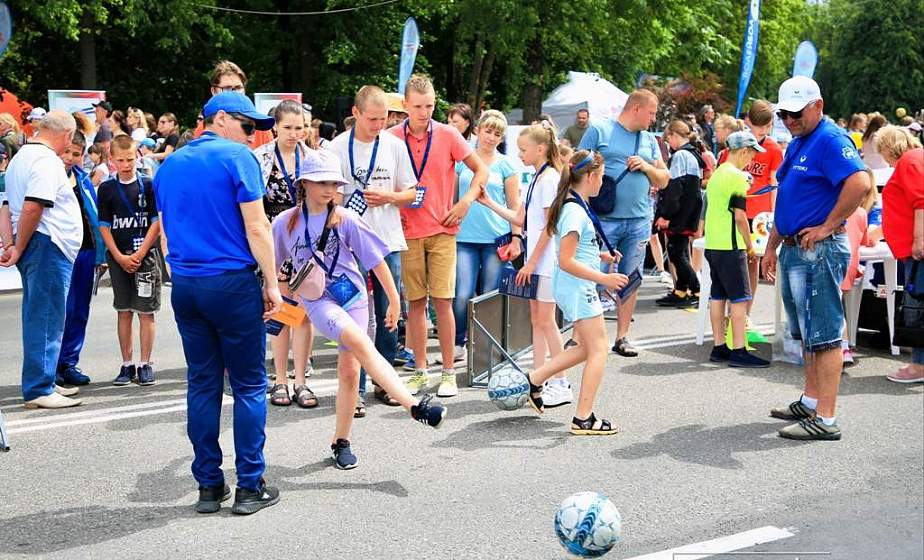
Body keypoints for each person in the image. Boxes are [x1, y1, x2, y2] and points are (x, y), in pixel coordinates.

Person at [272, 151, 448, 469]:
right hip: (318, 301)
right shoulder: (285, 223)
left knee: (351, 373)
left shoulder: (346, 218)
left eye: (334, 183)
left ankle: (341, 441)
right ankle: (413, 406)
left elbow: (375, 261)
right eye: (322, 182)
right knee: (360, 342)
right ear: (305, 184)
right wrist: (280, 305)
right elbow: (275, 270)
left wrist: (395, 300)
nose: (329, 189)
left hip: (355, 297)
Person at [154, 92, 283, 515]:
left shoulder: (168, 164)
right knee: (248, 386)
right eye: (248, 128)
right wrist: (272, 283)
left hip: (188, 283)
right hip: (230, 282)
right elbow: (258, 227)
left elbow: (168, 229)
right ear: (221, 118)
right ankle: (250, 486)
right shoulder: (237, 158)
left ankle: (209, 486)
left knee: (203, 384)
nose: (252, 138)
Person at [762, 77, 870, 441]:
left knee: (823, 335)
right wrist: (771, 245)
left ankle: (825, 418)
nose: (789, 120)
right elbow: (788, 197)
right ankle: (811, 401)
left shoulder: (830, 138)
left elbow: (860, 183)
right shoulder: (800, 140)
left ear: (817, 106)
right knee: (808, 333)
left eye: (796, 113)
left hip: (817, 249)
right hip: (797, 247)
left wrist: (827, 226)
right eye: (784, 114)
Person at [389, 75, 489, 398]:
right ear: (405, 105)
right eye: (418, 106)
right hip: (406, 232)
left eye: (430, 105)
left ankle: (448, 372)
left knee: (443, 302)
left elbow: (481, 170)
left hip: (444, 230)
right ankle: (419, 369)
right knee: (415, 305)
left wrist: (465, 201)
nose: (424, 112)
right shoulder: (391, 138)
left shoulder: (448, 135)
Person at [519, 150, 628, 434]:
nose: (603, 183)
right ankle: (583, 417)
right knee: (600, 349)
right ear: (590, 177)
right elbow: (566, 260)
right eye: (601, 177)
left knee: (586, 348)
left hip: (576, 285)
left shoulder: (572, 206)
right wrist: (604, 277)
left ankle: (536, 378)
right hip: (578, 287)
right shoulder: (574, 210)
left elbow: (574, 251)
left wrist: (600, 256)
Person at [329, 85, 418, 412]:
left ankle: (385, 382)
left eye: (383, 119)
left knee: (389, 314)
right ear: (355, 113)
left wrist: (389, 198)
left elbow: (413, 192)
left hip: (387, 241)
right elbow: (329, 196)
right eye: (372, 119)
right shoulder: (337, 147)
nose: (379, 125)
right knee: (353, 314)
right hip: (350, 243)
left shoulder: (394, 145)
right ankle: (355, 389)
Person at [477, 122, 570, 406]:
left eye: (523, 149)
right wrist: (488, 202)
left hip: (544, 263)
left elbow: (549, 227)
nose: (519, 154)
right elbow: (521, 220)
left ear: (540, 149)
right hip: (536, 262)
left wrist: (530, 264)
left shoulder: (550, 178)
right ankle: (538, 379)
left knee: (546, 322)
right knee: (537, 321)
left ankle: (561, 381)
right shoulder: (536, 177)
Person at [0, 111, 84, 409]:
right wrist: (19, 247)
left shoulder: (21, 156)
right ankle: (39, 388)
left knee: (39, 313)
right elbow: (35, 206)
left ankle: (43, 380)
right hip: (47, 245)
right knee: (47, 316)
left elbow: (8, 204)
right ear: (66, 135)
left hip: (38, 244)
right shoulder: (46, 161)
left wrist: (11, 243)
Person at [578, 89, 669, 357]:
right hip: (604, 219)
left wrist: (647, 167)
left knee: (631, 278)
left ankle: (622, 337)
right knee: (592, 276)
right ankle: (582, 337)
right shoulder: (599, 131)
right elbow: (575, 167)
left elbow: (664, 178)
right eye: (651, 113)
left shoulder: (649, 140)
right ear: (636, 109)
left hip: (639, 220)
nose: (653, 119)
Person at [252, 100, 321, 408]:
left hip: (307, 242)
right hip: (274, 241)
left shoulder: (315, 158)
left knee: (304, 315)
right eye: (289, 127)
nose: (295, 133)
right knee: (280, 311)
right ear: (275, 126)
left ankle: (301, 381)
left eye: (300, 127)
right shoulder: (259, 158)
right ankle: (280, 379)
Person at [451, 110, 519, 358]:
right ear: (477, 130)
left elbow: (514, 207)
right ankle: (458, 341)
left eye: (497, 133)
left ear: (501, 138)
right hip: (463, 239)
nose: (491, 137)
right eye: (488, 131)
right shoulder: (462, 162)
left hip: (495, 239)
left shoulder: (507, 165)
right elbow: (453, 199)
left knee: (491, 295)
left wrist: (516, 237)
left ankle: (486, 346)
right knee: (462, 294)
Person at [97, 135, 162, 386]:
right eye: (121, 160)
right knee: (123, 311)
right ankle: (127, 364)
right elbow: (103, 224)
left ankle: (146, 363)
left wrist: (140, 252)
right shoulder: (106, 188)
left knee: (146, 311)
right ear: (111, 160)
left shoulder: (148, 184)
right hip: (118, 256)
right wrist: (117, 255)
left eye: (131, 159)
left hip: (144, 256)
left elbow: (156, 221)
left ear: (138, 156)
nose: (126, 164)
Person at [703, 130, 770, 368]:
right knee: (740, 298)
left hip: (713, 244)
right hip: (731, 246)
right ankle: (739, 350)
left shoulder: (718, 173)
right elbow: (741, 217)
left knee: (718, 296)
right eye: (752, 154)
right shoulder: (738, 177)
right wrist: (750, 246)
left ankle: (719, 346)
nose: (752, 160)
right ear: (743, 151)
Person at [56, 131, 106, 387]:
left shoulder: (83, 179)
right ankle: (52, 364)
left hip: (86, 252)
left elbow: (95, 216)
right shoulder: (51, 178)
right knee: (58, 309)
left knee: (79, 310)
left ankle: (69, 362)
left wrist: (102, 253)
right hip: (61, 251)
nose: (71, 158)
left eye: (76, 154)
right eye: (67, 152)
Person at [877, 125, 924, 383]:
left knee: (917, 307)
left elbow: (921, 201)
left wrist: (919, 240)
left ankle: (918, 366)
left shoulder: (909, 161)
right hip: (911, 248)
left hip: (916, 251)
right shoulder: (916, 159)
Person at [653, 119, 704, 308]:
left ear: (674, 136)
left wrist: (666, 214)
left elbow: (675, 187)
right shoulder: (694, 154)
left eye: (669, 138)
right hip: (690, 209)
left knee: (676, 253)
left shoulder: (681, 155)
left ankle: (697, 289)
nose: (669, 143)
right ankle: (681, 290)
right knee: (680, 250)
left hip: (680, 211)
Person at [840, 176, 877, 365]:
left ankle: (842, 347)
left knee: (832, 309)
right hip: (850, 269)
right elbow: (866, 241)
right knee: (837, 309)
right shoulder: (861, 213)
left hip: (832, 265)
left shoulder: (828, 209)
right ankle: (845, 347)